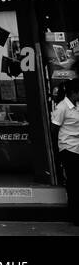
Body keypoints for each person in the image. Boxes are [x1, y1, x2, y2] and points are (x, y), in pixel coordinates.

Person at [53, 81, 79, 224]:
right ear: (74, 93)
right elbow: (54, 129)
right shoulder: (62, 108)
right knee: (74, 183)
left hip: (77, 148)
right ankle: (74, 215)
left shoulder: (77, 106)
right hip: (68, 149)